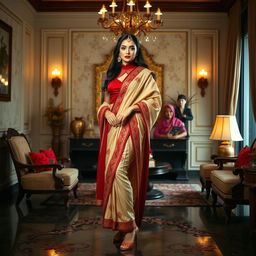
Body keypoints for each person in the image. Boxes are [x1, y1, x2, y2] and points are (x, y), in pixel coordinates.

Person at [96, 34, 161, 251]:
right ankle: (121, 224)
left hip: (133, 126)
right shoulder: (111, 74)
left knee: (121, 170)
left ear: (136, 51)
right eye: (123, 47)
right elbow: (105, 102)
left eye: (131, 48)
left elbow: (155, 101)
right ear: (118, 51)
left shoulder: (144, 75)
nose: (127, 51)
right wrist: (106, 114)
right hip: (113, 128)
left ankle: (131, 225)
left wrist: (132, 108)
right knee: (112, 172)